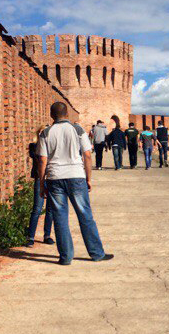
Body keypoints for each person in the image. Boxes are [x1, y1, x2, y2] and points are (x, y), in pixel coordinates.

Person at [36, 101, 113, 265]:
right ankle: (97, 254)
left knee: (60, 218)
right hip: (76, 176)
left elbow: (42, 160)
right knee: (85, 215)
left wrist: (42, 184)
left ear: (51, 115)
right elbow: (87, 155)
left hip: (55, 177)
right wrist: (88, 179)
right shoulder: (77, 129)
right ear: (67, 114)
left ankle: (65, 257)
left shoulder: (45, 133)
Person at [26, 125, 54, 247]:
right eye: (42, 132)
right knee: (37, 208)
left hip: (52, 178)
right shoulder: (33, 146)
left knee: (50, 209)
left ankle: (47, 235)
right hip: (40, 178)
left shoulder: (53, 145)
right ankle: (30, 237)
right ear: (38, 133)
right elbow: (39, 158)